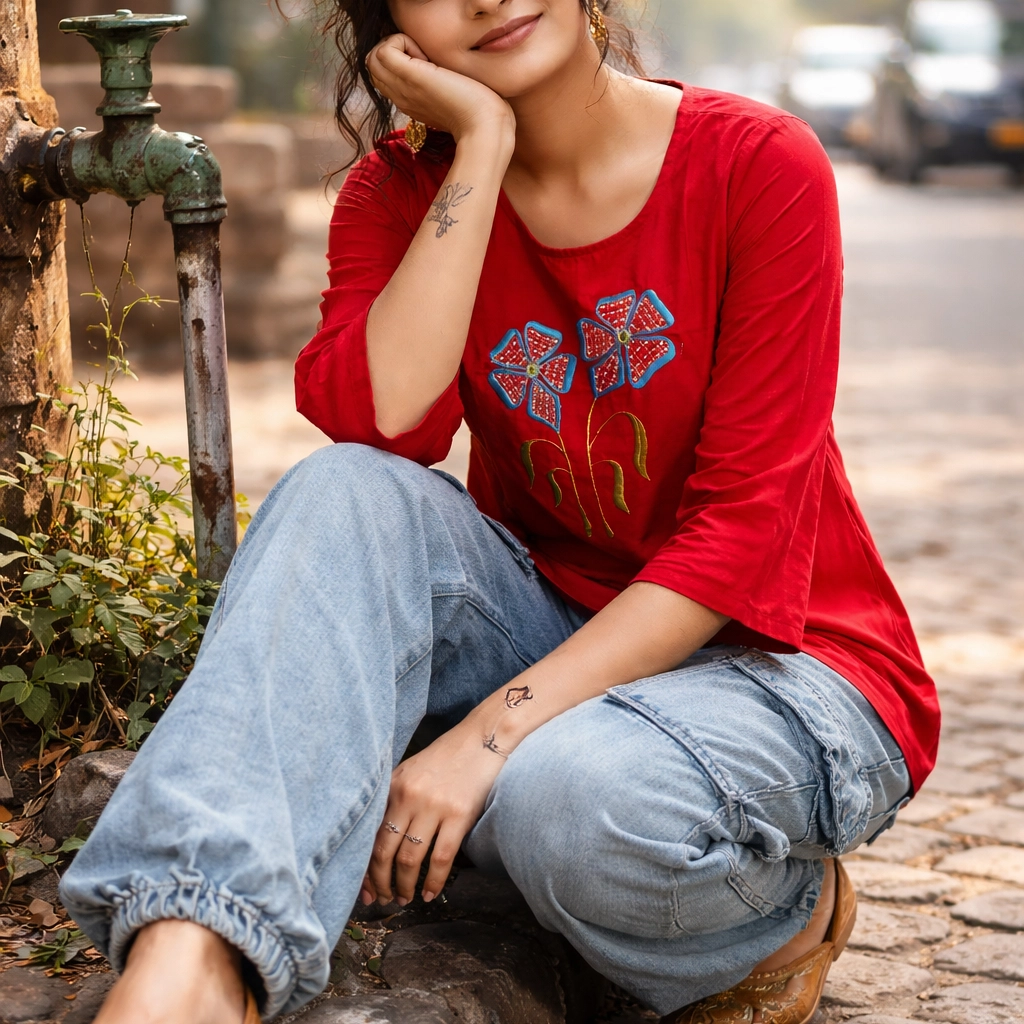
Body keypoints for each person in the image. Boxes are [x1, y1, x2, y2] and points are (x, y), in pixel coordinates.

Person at [59, 0, 940, 1021]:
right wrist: (478, 148)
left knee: (568, 803)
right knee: (340, 492)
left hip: (784, 659)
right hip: (556, 628)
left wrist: (485, 737)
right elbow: (382, 428)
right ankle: (194, 949)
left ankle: (774, 913)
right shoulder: (398, 194)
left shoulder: (755, 163)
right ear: (390, 27)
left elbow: (738, 533)